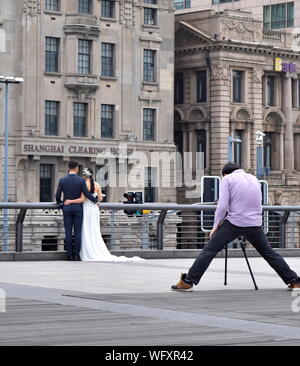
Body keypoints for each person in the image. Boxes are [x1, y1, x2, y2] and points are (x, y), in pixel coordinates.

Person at [171, 162, 300, 291]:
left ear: (225, 173)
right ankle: (294, 281)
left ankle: (188, 281)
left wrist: (216, 225)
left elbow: (222, 205)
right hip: (254, 223)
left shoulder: (227, 179)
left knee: (209, 251)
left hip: (235, 222)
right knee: (269, 253)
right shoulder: (254, 178)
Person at [64, 167, 144, 262]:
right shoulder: (97, 185)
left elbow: (82, 199)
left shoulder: (83, 184)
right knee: (94, 230)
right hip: (94, 209)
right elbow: (101, 198)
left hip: (86, 209)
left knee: (85, 230)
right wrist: (96, 198)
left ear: (85, 175)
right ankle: (94, 249)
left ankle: (85, 251)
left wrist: (70, 201)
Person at [55, 160, 98, 261]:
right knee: (78, 232)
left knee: (68, 232)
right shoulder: (80, 180)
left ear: (69, 168)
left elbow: (57, 196)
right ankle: (77, 255)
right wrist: (95, 201)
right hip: (78, 209)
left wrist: (61, 203)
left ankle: (69, 255)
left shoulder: (62, 180)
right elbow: (87, 194)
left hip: (67, 209)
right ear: (76, 168)